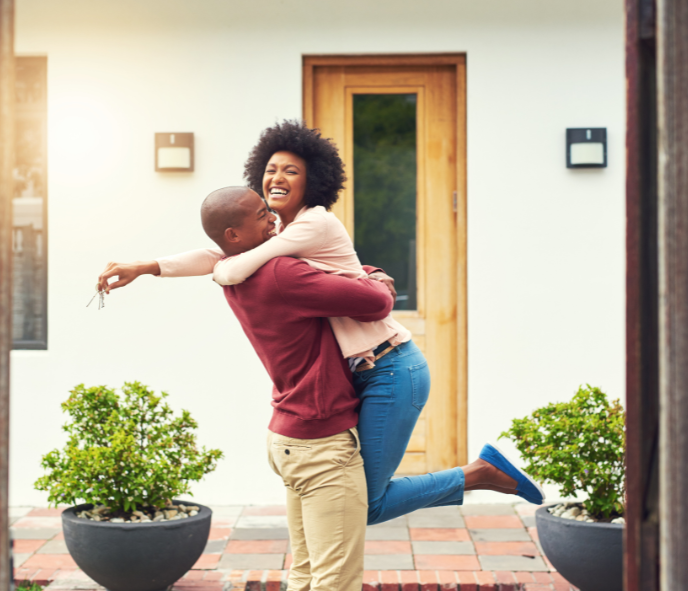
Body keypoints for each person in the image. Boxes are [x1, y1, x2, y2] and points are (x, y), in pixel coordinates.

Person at [99, 122, 545, 526]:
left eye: (291, 171)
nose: (277, 178)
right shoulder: (276, 233)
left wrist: (223, 270)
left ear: (314, 180)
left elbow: (232, 265)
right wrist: (148, 265)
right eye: (271, 169)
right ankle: (479, 474)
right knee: (360, 500)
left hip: (391, 367)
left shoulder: (311, 223)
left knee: (363, 502)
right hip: (366, 370)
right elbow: (219, 253)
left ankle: (478, 474)